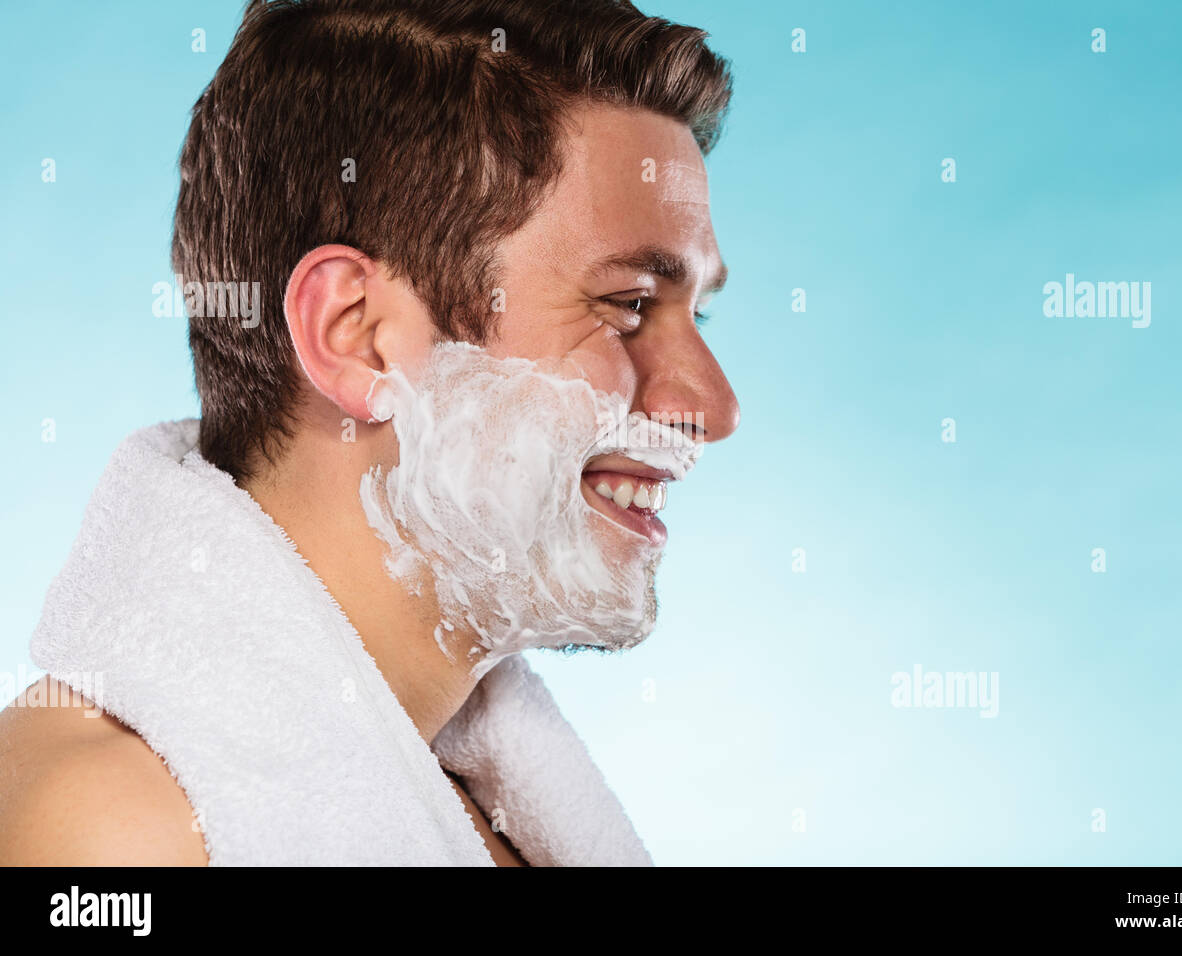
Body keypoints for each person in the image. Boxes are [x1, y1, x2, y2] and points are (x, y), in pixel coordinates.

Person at [0, 0, 739, 866]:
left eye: (702, 316)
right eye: (629, 306)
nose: (715, 407)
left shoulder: (488, 809)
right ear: (358, 335)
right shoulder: (110, 830)